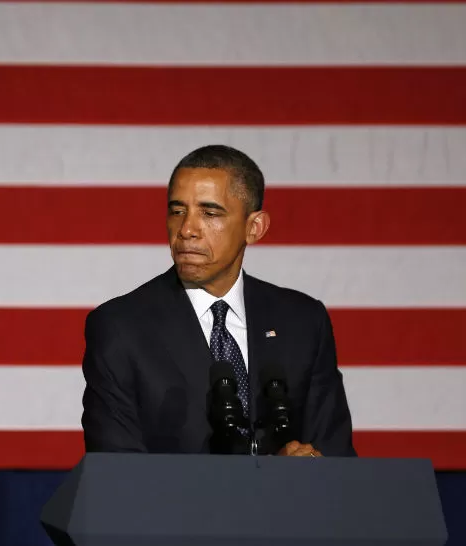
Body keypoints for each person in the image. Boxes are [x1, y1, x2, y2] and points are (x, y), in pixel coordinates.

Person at [80, 144, 356, 458]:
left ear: (254, 228)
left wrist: (296, 475)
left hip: (286, 508)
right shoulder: (121, 327)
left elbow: (336, 460)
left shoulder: (303, 322)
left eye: (209, 213)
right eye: (177, 211)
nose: (186, 230)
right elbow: (117, 472)